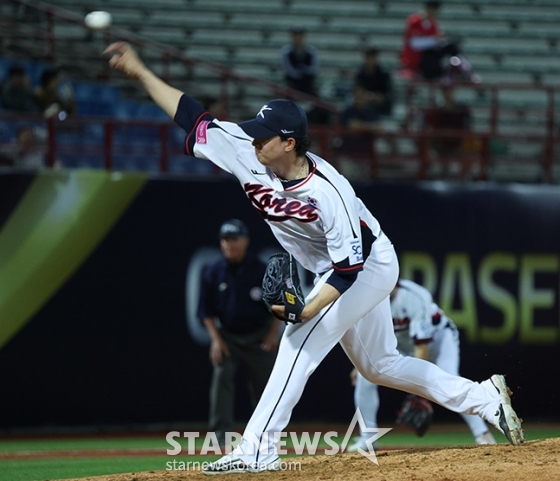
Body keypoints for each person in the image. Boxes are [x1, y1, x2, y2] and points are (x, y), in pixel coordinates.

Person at [104, 41, 524, 474]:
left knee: (298, 342)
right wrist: (139, 71)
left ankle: (258, 449)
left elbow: (347, 270)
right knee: (379, 365)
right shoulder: (245, 150)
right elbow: (191, 115)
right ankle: (484, 399)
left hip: (369, 266)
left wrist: (305, 308)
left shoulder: (330, 191)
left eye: (263, 136)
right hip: (335, 269)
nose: (252, 139)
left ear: (288, 143)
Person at [347, 279, 496, 453]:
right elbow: (371, 339)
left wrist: (420, 393)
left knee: (450, 379)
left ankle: (483, 435)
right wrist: (362, 365)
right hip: (403, 347)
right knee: (366, 377)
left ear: (394, 281)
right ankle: (368, 438)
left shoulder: (414, 297)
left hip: (439, 340)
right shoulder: (369, 302)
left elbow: (421, 346)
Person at [198, 219, 281, 448]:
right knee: (221, 381)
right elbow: (205, 311)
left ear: (246, 241)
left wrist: (272, 335)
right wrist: (216, 340)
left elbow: (278, 306)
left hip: (258, 337)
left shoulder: (260, 269)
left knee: (266, 387)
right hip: (229, 338)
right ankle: (220, 437)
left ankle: (265, 436)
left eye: (234, 239)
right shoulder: (213, 271)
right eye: (225, 240)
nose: (229, 244)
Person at [400, 1, 473, 81]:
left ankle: (465, 70)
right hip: (418, 59)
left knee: (451, 47)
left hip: (430, 58)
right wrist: (434, 41)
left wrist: (438, 41)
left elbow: (436, 39)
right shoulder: (414, 21)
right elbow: (414, 43)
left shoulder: (432, 23)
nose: (433, 13)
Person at [280, 27, 319, 96]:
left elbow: (313, 68)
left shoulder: (311, 51)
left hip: (307, 83)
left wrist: (304, 71)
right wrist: (299, 74)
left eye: (300, 36)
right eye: (296, 36)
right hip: (292, 83)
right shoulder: (287, 52)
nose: (298, 38)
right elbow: (288, 69)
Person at [355, 47, 393, 117]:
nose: (369, 61)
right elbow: (357, 91)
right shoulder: (360, 75)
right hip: (363, 104)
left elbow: (389, 94)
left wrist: (380, 97)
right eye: (367, 58)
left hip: (379, 105)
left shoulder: (383, 75)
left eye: (371, 58)